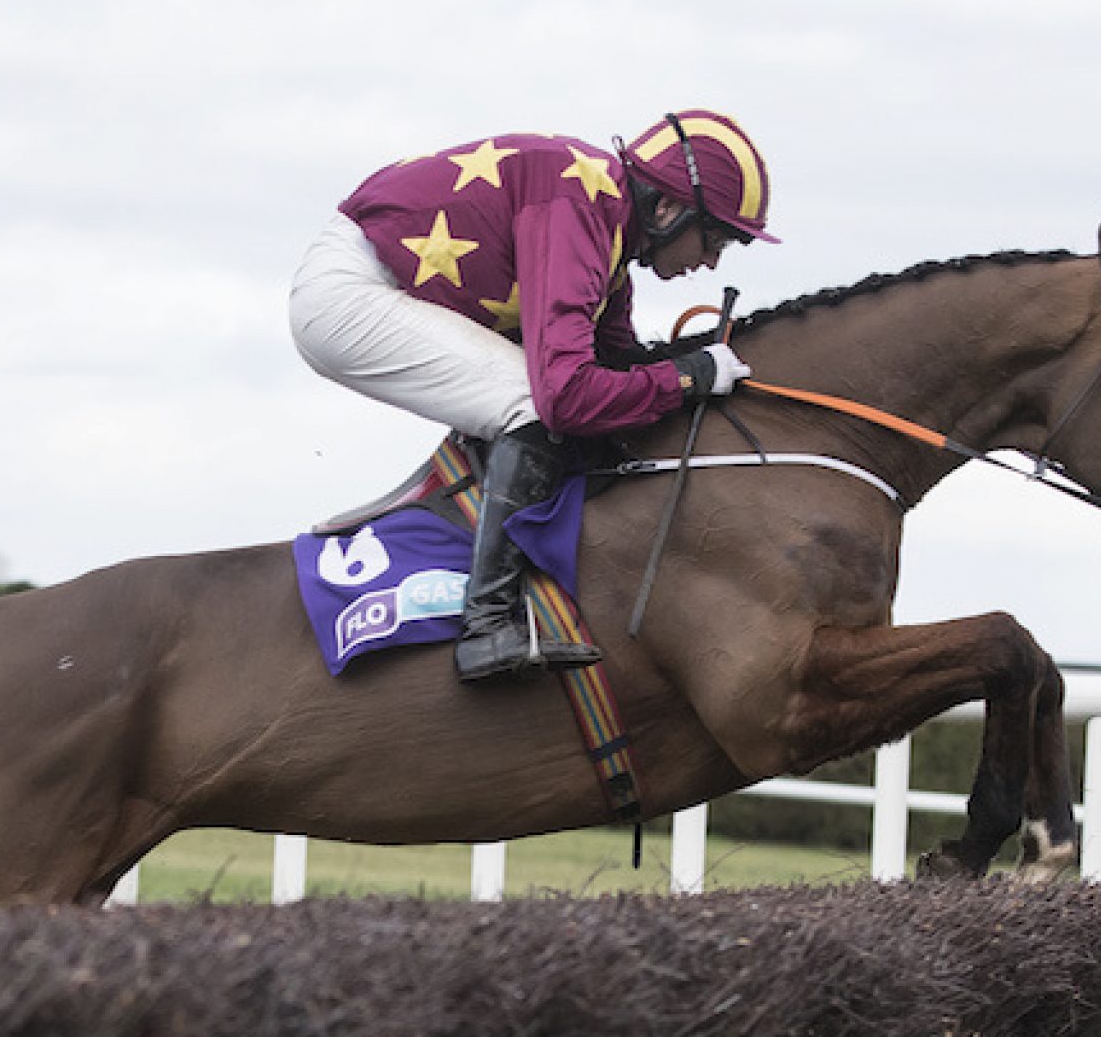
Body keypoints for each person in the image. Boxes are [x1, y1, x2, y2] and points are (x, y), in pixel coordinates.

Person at [289, 110, 778, 682]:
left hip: (373, 278)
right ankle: (487, 624)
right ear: (667, 208)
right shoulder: (582, 208)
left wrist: (689, 369)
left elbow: (615, 362)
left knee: (547, 400)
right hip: (349, 293)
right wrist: (688, 377)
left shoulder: (608, 232)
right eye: (715, 238)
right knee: (532, 402)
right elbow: (567, 395)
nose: (712, 261)